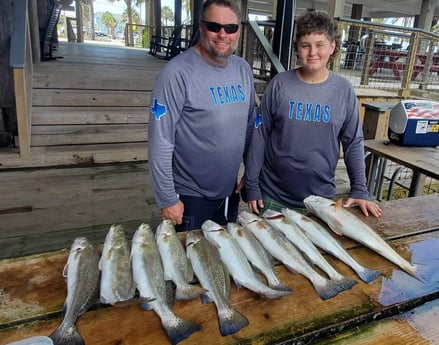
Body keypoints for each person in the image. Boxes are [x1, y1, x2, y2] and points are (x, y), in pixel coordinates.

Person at [244, 11, 382, 218]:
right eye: (305, 45)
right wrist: (251, 183)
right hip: (272, 196)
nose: (312, 52)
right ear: (297, 48)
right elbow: (260, 134)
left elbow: (353, 141)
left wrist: (360, 188)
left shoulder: (343, 90)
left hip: (320, 200)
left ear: (332, 46)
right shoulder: (279, 85)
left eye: (320, 45)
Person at [148, 0, 256, 231]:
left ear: (238, 31)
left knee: (224, 259)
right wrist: (167, 198)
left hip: (229, 191)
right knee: (189, 263)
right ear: (201, 27)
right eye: (214, 26)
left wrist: (251, 172)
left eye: (230, 28)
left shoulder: (242, 69)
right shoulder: (176, 73)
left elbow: (248, 126)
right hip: (189, 196)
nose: (222, 34)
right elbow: (160, 140)